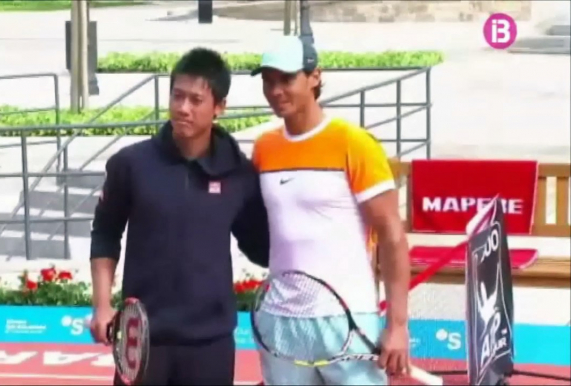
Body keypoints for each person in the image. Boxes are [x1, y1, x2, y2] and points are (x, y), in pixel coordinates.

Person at [88, 47, 270, 385]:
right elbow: (105, 233)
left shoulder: (240, 174)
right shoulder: (130, 165)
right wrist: (102, 305)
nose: (183, 108)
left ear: (219, 107)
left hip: (210, 343)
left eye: (196, 100)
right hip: (141, 339)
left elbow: (262, 247)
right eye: (177, 96)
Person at [250, 35, 412, 385]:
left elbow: (392, 236)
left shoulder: (353, 143)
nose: (275, 90)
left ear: (315, 77)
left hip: (347, 318)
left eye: (286, 79)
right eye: (268, 80)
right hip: (279, 320)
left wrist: (397, 325)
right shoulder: (264, 148)